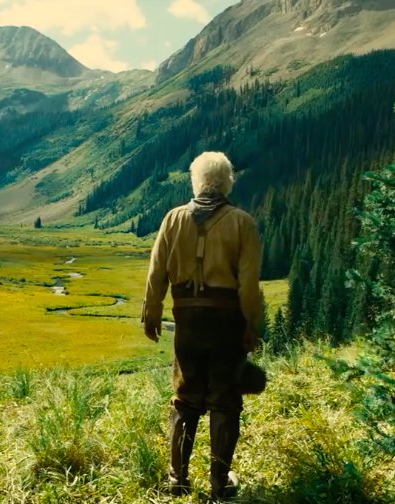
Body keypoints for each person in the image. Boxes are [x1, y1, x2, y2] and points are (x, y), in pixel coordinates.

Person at [141, 151, 263, 500]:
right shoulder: (242, 223)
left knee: (185, 399)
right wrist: (251, 324)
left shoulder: (173, 219)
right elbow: (249, 286)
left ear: (196, 182)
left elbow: (156, 272)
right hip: (226, 323)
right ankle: (219, 484)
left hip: (188, 323)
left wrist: (151, 313)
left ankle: (177, 480)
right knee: (225, 401)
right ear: (227, 183)